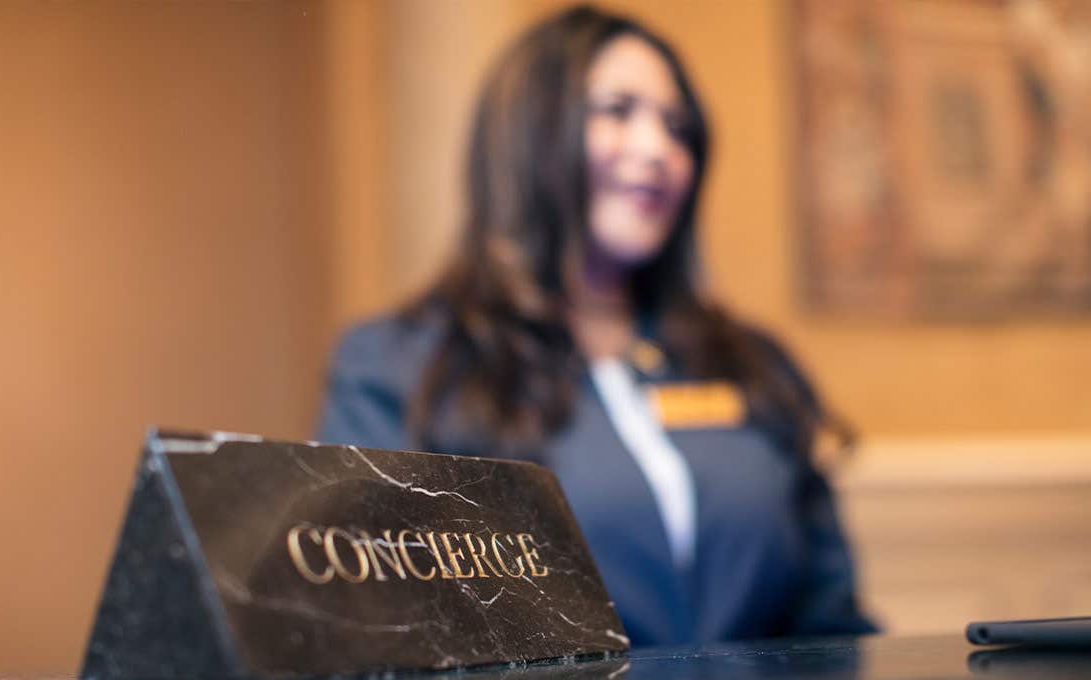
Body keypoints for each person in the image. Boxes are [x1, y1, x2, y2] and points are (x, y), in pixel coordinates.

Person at [317, 4, 877, 646]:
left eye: (677, 128)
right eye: (617, 111)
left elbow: (832, 623)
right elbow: (370, 630)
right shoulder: (399, 365)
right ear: (527, 133)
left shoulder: (751, 364)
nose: (658, 150)